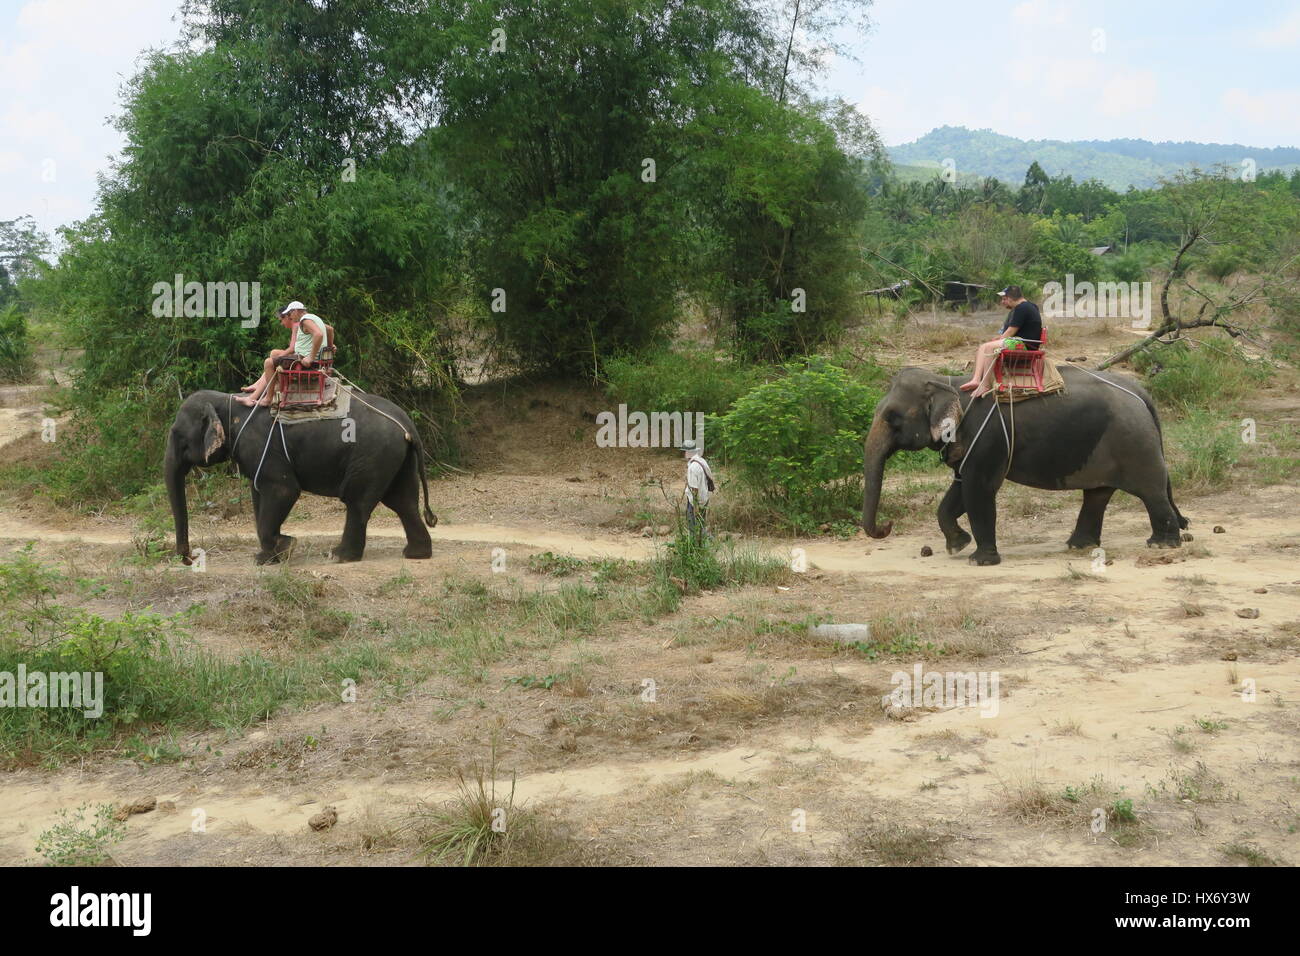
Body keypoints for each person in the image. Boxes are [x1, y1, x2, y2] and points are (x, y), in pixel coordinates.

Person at [236, 301, 334, 407]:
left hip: (303, 360)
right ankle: (260, 389)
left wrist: (310, 357)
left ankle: (267, 399)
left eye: (290, 314)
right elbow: (330, 329)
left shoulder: (305, 320)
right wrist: (330, 347)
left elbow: (318, 334)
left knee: (268, 363)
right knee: (274, 355)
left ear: (296, 311)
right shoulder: (314, 318)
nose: (289, 317)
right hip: (314, 359)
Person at [959, 286, 1043, 399]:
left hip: (1023, 344)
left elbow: (1010, 331)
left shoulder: (1022, 308)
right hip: (1019, 341)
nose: (1002, 302)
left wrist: (998, 340)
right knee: (982, 347)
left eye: (1004, 299)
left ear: (1009, 298)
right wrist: (999, 339)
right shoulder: (1028, 306)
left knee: (989, 348)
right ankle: (976, 379)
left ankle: (985, 385)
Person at [681, 438, 715, 541]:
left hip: (695, 501)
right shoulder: (702, 461)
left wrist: (695, 506)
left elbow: (694, 489)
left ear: (688, 452)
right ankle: (705, 544)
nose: (684, 454)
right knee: (701, 524)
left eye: (684, 451)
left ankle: (697, 546)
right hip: (704, 498)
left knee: (693, 527)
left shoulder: (693, 467)